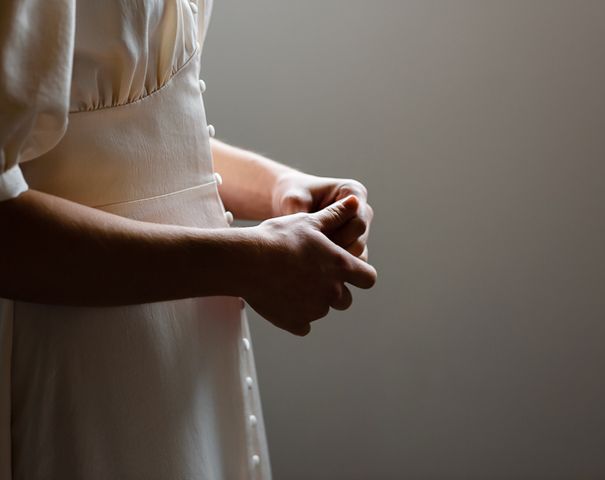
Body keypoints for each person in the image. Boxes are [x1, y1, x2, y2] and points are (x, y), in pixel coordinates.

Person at [0, 1, 376, 479]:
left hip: (184, 352)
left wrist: (278, 187)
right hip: (73, 358)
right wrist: (247, 263)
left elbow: (122, 120)